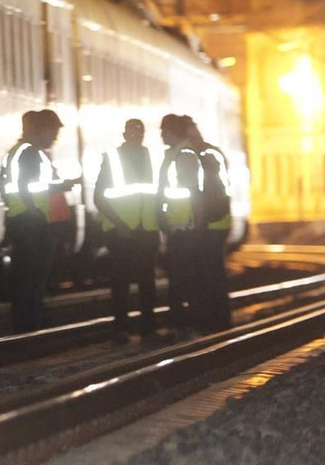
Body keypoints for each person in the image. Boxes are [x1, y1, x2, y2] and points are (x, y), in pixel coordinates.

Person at [0, 110, 75, 332]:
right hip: (33, 224)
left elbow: (6, 186)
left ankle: (30, 321)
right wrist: (34, 212)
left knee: (27, 275)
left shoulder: (17, 152)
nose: (55, 137)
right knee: (33, 277)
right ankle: (30, 325)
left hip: (22, 220)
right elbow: (27, 186)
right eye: (53, 131)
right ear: (41, 129)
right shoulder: (30, 153)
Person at [94, 118, 159, 334]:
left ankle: (148, 328)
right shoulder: (112, 158)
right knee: (121, 282)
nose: (135, 136)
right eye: (132, 133)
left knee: (146, 282)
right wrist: (119, 223)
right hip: (121, 232)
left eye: (139, 133)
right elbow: (99, 197)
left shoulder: (152, 157)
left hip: (146, 230)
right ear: (124, 135)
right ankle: (121, 329)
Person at [185, 116, 234, 333]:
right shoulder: (213, 152)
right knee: (212, 273)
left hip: (210, 223)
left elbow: (201, 192)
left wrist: (199, 219)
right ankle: (219, 319)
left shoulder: (203, 156)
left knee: (209, 274)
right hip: (217, 221)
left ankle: (215, 320)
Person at [156, 114, 201, 333]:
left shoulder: (183, 155)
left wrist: (193, 221)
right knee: (179, 275)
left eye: (164, 131)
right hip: (177, 225)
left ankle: (183, 321)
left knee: (183, 276)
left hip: (185, 226)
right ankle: (181, 320)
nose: (161, 135)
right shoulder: (174, 154)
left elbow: (192, 191)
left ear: (173, 132)